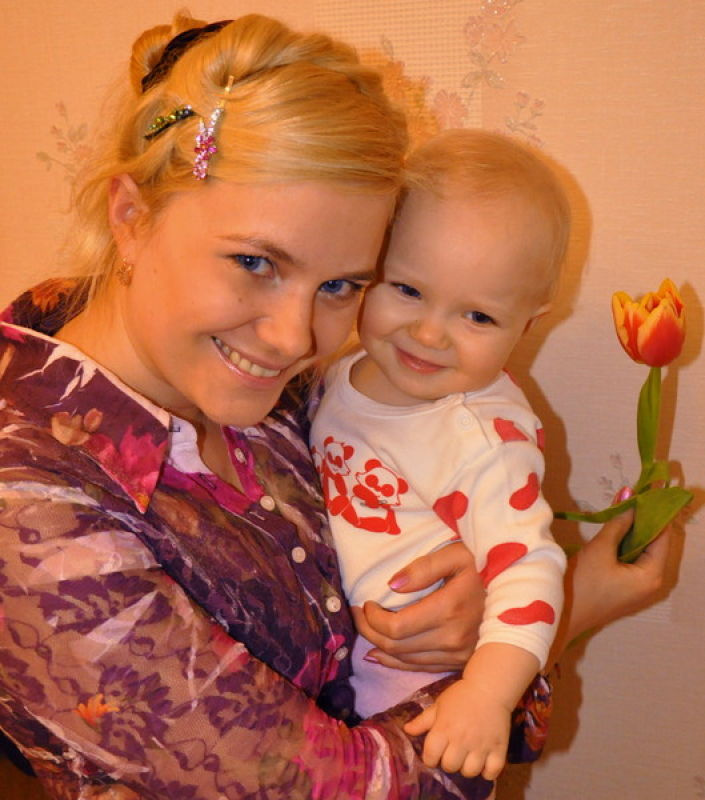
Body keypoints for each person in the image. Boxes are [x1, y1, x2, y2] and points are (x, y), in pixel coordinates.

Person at [0, 12, 671, 800]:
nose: (295, 338)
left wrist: (472, 601)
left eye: (341, 284)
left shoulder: (230, 368)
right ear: (130, 217)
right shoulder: (31, 517)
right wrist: (565, 614)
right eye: (255, 262)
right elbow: (341, 789)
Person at [311, 129, 568, 783]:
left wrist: (486, 695)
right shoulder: (342, 370)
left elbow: (529, 571)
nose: (428, 333)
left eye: (477, 317)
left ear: (527, 324)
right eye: (406, 289)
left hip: (423, 697)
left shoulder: (483, 440)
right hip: (335, 680)